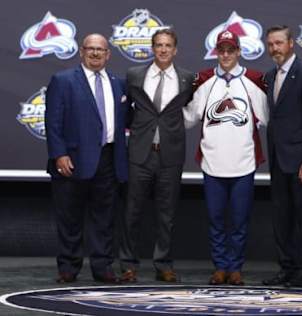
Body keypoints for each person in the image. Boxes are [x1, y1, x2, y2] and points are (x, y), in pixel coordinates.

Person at [183, 30, 268, 286]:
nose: (227, 55)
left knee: (240, 220)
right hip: (212, 163)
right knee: (216, 219)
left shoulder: (253, 80)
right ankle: (220, 266)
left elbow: (267, 117)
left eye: (231, 50)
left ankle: (236, 267)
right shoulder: (205, 81)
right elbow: (189, 118)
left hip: (243, 163)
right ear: (216, 52)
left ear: (239, 52)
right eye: (222, 50)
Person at [45, 33, 128, 283]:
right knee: (70, 217)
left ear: (108, 54)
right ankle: (69, 268)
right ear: (81, 52)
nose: (95, 53)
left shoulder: (118, 83)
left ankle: (102, 267)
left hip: (109, 159)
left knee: (104, 218)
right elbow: (53, 121)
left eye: (100, 50)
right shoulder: (63, 80)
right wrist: (59, 154)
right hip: (72, 160)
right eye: (90, 49)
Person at [119, 28, 194, 283]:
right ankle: (128, 265)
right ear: (152, 48)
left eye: (168, 45)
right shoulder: (134, 75)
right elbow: (126, 111)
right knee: (132, 211)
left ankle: (163, 264)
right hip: (140, 154)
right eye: (159, 45)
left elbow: (189, 112)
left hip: (170, 155)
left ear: (175, 50)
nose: (163, 49)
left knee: (167, 214)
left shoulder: (186, 79)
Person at [262, 25, 302, 288]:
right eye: (271, 44)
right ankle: (286, 268)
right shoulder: (270, 75)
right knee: (282, 219)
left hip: (301, 162)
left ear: (291, 44)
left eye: (279, 43)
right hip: (278, 161)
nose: (275, 48)